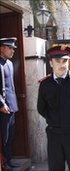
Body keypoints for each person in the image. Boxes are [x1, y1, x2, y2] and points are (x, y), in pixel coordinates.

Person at [0, 37, 19, 170]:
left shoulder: (10, 63)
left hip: (11, 105)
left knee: (10, 136)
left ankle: (9, 160)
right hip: (3, 107)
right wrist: (1, 104)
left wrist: (13, 104)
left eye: (13, 48)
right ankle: (4, 163)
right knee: (4, 137)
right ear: (2, 48)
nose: (13, 50)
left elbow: (10, 86)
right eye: (10, 48)